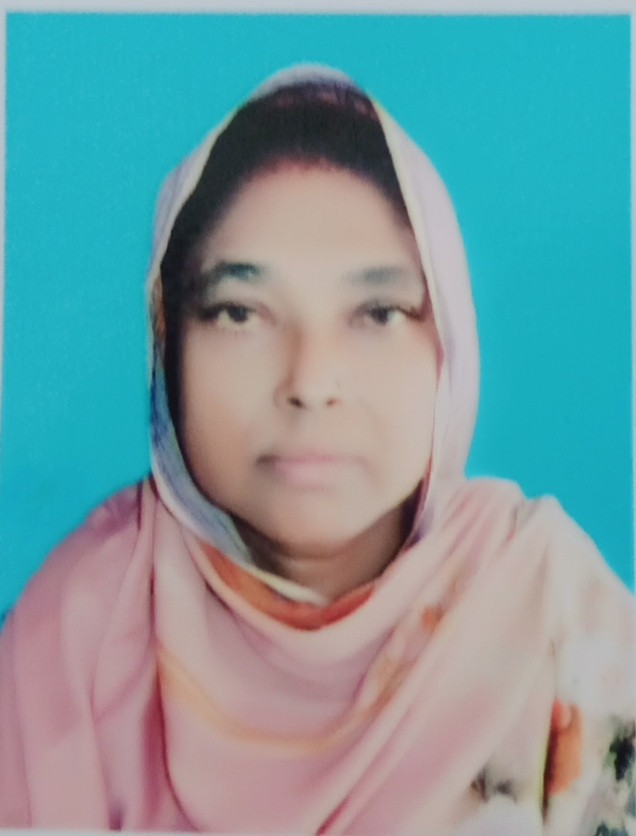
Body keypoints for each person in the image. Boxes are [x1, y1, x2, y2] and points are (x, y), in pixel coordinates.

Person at [0, 65, 633, 835]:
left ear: (449, 344)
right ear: (167, 339)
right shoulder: (81, 634)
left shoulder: (548, 608)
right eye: (240, 313)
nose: (309, 383)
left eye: (378, 313)